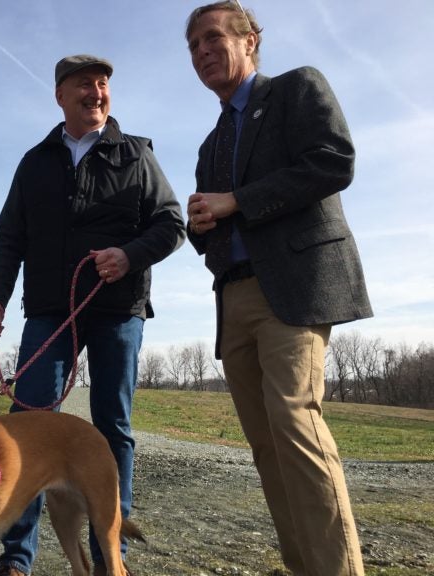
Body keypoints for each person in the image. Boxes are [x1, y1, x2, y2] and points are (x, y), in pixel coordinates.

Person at [0, 54, 185, 576]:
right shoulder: (35, 162)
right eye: (84, 85)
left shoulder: (136, 153)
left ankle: (111, 557)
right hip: (50, 309)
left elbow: (171, 224)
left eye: (103, 84)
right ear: (60, 95)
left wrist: (129, 255)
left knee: (112, 424)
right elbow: (10, 237)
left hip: (118, 308)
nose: (96, 92)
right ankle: (17, 559)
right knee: (26, 424)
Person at [184, 2, 372, 575]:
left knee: (295, 425)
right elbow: (212, 222)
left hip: (292, 289)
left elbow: (333, 162)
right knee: (266, 448)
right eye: (193, 46)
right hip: (233, 298)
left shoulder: (296, 89)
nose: (203, 52)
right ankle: (303, 566)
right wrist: (201, 224)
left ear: (251, 39)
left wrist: (236, 201)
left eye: (213, 37)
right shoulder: (210, 143)